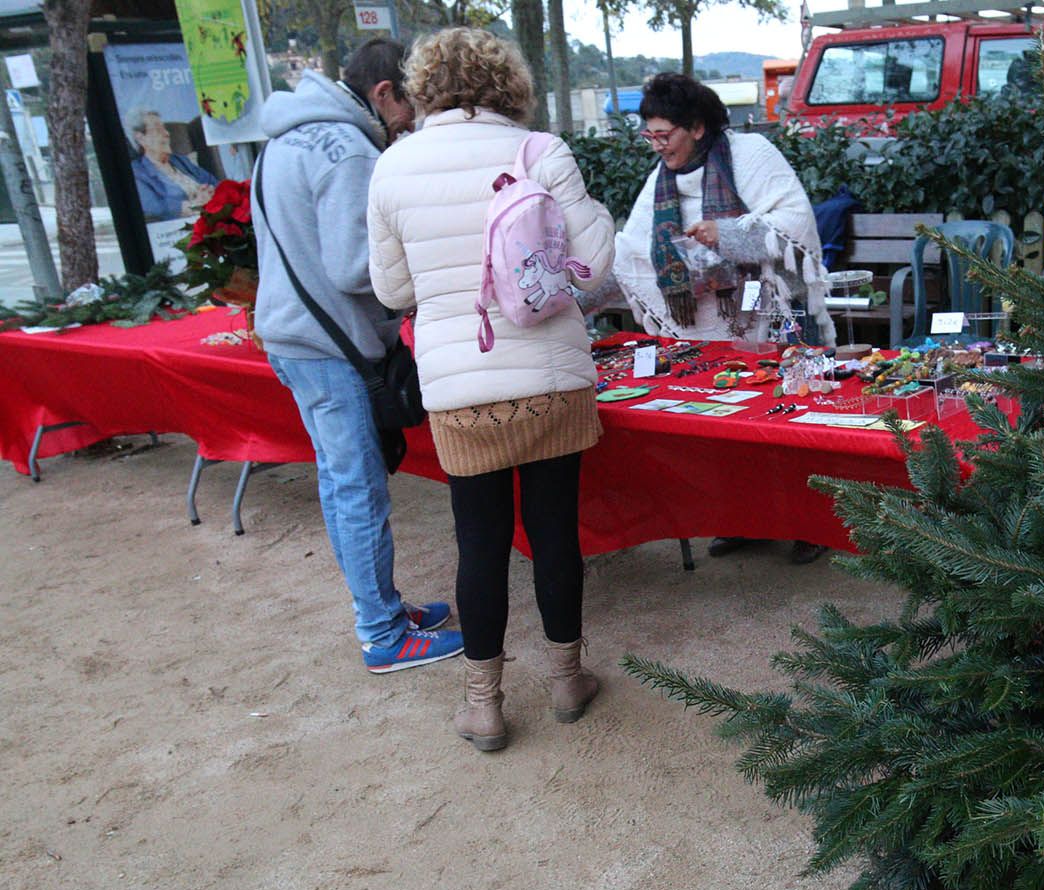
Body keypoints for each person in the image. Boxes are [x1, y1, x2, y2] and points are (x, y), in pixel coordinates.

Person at [367, 28, 615, 752]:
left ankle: (484, 704)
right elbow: (594, 268)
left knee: (478, 543)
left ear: (424, 85)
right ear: (511, 82)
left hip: (459, 380)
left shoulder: (394, 165)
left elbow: (392, 289)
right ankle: (568, 679)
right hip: (550, 377)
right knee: (553, 530)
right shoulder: (541, 151)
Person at [253, 37, 464, 675]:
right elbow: (354, 266)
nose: (413, 122)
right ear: (383, 93)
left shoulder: (286, 139)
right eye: (410, 106)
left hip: (296, 338)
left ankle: (386, 611)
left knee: (340, 481)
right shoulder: (345, 149)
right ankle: (382, 633)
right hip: (328, 346)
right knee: (358, 490)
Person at [597, 72, 836, 565]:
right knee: (726, 429)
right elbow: (633, 250)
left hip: (768, 312)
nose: (657, 147)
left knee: (783, 421)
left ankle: (808, 524)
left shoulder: (751, 156)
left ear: (698, 127)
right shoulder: (661, 178)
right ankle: (745, 519)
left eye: (665, 135)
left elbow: (795, 228)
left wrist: (725, 235)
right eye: (650, 136)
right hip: (700, 323)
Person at [129, 110, 220, 221]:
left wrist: (210, 191)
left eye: (165, 128)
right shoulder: (137, 171)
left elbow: (212, 181)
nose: (167, 133)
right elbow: (154, 207)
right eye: (158, 130)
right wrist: (194, 206)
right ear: (141, 138)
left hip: (213, 215)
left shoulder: (180, 160)